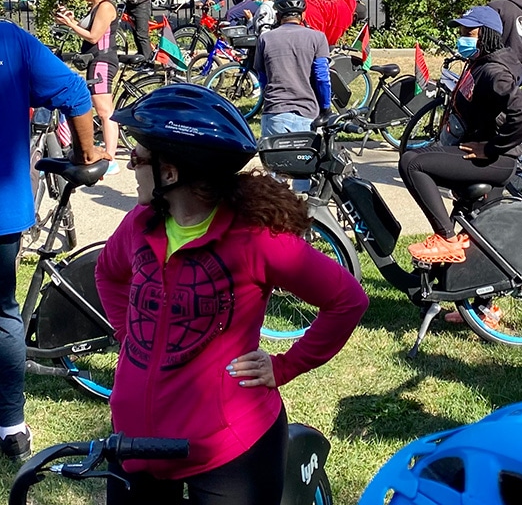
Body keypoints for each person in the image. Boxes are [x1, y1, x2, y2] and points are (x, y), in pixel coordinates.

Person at [96, 84, 367, 505]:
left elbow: (347, 300)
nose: (129, 161)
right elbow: (108, 274)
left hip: (229, 447)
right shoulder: (139, 224)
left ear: (171, 172)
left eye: (140, 155)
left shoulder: (254, 240)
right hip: (135, 442)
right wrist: (130, 335)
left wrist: (285, 366)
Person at [0, 20, 104, 461]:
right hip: (4, 209)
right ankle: (11, 426)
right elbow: (76, 94)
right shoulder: (11, 39)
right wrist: (86, 155)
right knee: (3, 313)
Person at [400, 6, 522, 264]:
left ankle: (445, 238)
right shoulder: (480, 63)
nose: (461, 37)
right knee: (475, 246)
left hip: (496, 160)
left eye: (468, 32)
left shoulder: (494, 72)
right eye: (461, 31)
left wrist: (492, 148)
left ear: (487, 35)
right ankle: (482, 305)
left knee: (412, 162)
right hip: (483, 155)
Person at [55, 0, 120, 173]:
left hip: (103, 60)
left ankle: (111, 158)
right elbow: (88, 29)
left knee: (104, 111)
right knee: (102, 109)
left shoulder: (105, 6)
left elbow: (94, 36)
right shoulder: (95, 6)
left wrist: (71, 25)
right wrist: (71, 21)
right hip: (95, 60)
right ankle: (108, 154)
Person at [255, 0, 332, 136]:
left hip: (274, 113)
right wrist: (326, 108)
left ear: (277, 16)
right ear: (303, 15)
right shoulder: (318, 38)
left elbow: (262, 77)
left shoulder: (265, 39)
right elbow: (322, 78)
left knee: (274, 158)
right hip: (307, 113)